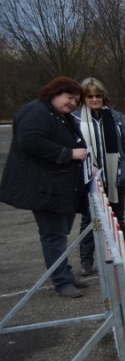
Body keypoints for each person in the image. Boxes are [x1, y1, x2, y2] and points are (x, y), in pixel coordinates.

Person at [0, 77, 90, 298]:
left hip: (60, 188)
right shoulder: (36, 112)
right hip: (44, 188)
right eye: (69, 98)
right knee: (53, 235)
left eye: (76, 101)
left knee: (60, 233)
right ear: (55, 93)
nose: (73, 103)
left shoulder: (57, 114)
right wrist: (68, 153)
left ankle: (65, 274)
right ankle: (61, 281)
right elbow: (29, 140)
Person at [74, 77, 125, 276]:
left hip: (115, 179)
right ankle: (86, 261)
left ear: (103, 96)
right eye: (89, 96)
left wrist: (123, 166)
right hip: (89, 180)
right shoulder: (75, 119)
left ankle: (117, 255)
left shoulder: (115, 117)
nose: (94, 99)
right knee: (89, 220)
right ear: (83, 98)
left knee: (117, 218)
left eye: (98, 95)